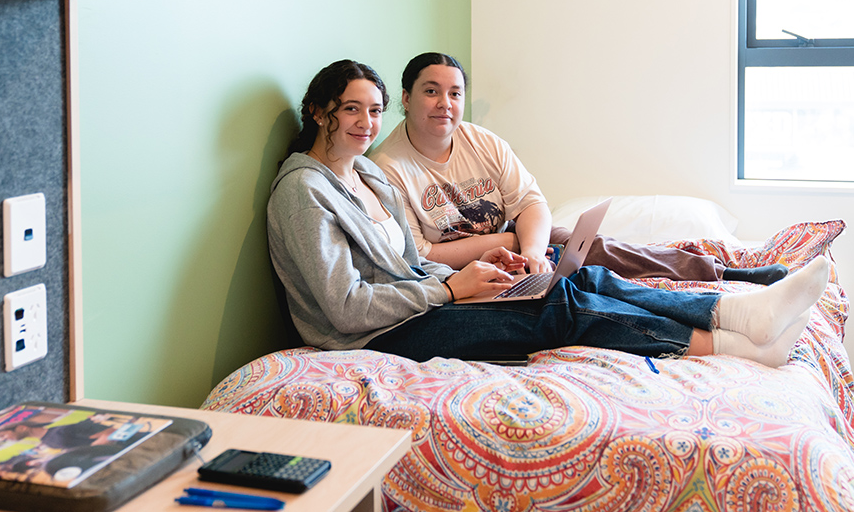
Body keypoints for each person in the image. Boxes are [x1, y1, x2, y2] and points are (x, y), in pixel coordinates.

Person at [266, 58, 829, 368]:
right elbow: (343, 310)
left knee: (572, 271)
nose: (365, 123)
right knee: (557, 308)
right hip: (374, 336)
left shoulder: (362, 175)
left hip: (420, 301)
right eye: (350, 110)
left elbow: (412, 262)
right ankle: (740, 343)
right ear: (318, 112)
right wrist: (452, 291)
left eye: (372, 110)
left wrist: (488, 274)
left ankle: (731, 311)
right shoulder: (304, 192)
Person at [370, 52, 789, 284]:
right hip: (465, 271)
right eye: (431, 92)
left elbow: (531, 202)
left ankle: (730, 275)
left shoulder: (482, 141)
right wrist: (512, 242)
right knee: (587, 281)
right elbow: (422, 255)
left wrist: (532, 249)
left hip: (518, 245)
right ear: (405, 98)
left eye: (455, 93)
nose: (446, 104)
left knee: (595, 247)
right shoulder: (387, 168)